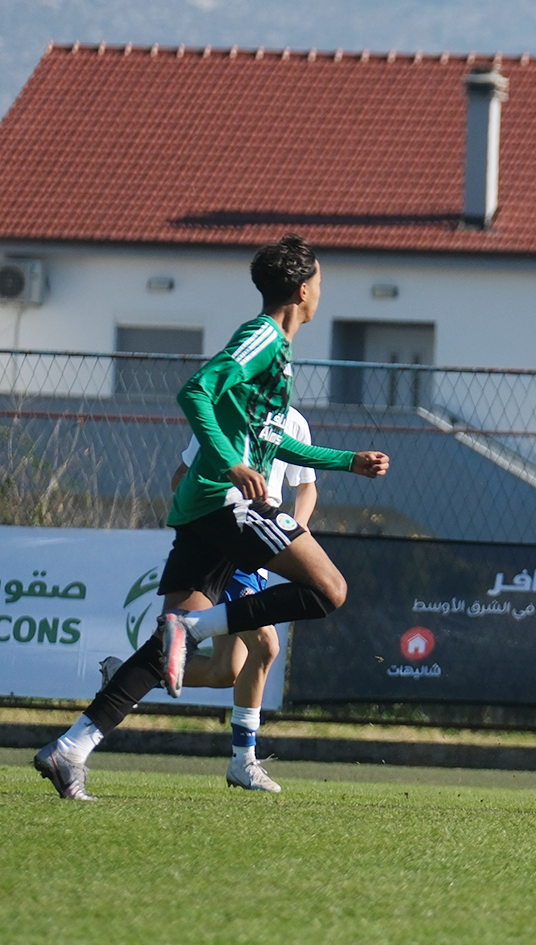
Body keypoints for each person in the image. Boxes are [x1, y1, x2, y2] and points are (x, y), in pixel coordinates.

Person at [34, 235, 390, 801]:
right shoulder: (264, 337)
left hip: (202, 509)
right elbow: (195, 390)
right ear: (303, 290)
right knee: (329, 589)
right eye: (320, 280)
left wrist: (347, 461)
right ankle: (196, 631)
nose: (322, 290)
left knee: (159, 651)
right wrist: (231, 463)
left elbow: (273, 442)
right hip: (228, 505)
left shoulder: (278, 349)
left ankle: (71, 747)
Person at [95, 405, 320, 793]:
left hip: (259, 550)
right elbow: (180, 478)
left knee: (225, 671)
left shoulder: (294, 421)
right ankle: (243, 761)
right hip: (228, 543)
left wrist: (296, 528)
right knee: (266, 646)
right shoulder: (220, 418)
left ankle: (124, 676)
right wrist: (209, 506)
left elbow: (307, 485)